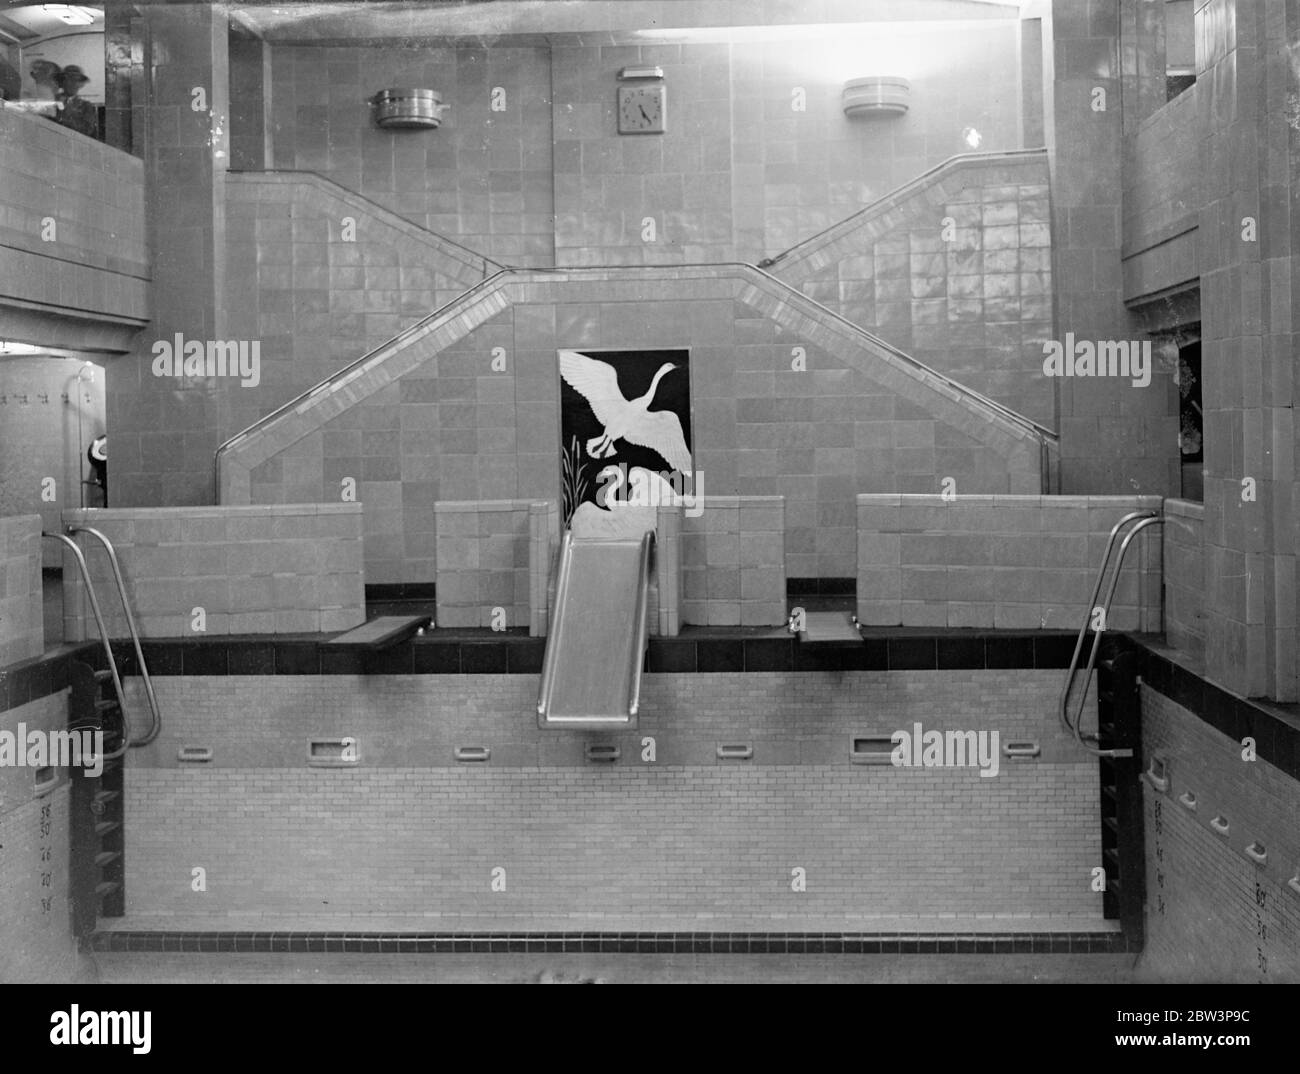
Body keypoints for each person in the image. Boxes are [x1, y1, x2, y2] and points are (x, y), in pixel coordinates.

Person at [55, 65, 98, 137]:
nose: (73, 84)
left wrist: (69, 114)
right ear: (62, 82)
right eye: (70, 79)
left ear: (81, 84)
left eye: (77, 81)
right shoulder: (51, 101)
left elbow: (87, 130)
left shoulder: (86, 106)